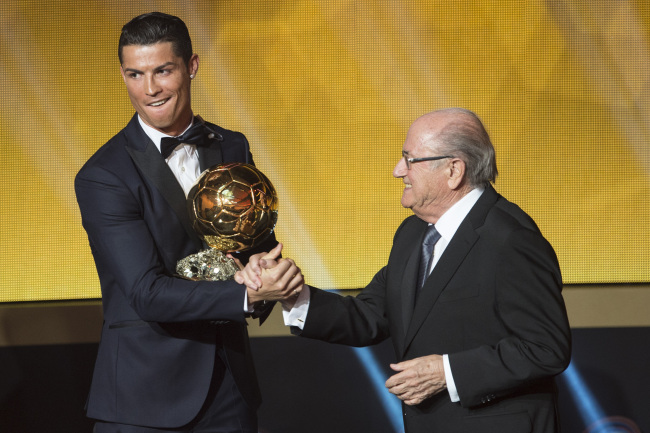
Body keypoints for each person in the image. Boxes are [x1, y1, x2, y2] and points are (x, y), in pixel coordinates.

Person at [238, 108, 572, 432]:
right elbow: (371, 314)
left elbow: (545, 349)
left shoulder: (510, 239)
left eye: (410, 159)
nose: (398, 170)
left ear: (454, 170)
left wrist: (446, 371)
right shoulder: (413, 235)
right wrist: (290, 291)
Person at [75, 12, 302, 433]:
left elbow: (254, 242)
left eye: (163, 70)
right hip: (145, 401)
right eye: (135, 74)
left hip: (230, 389)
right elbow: (145, 293)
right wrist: (245, 296)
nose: (150, 89)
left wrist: (266, 271)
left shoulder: (231, 145)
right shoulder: (103, 175)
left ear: (191, 66)